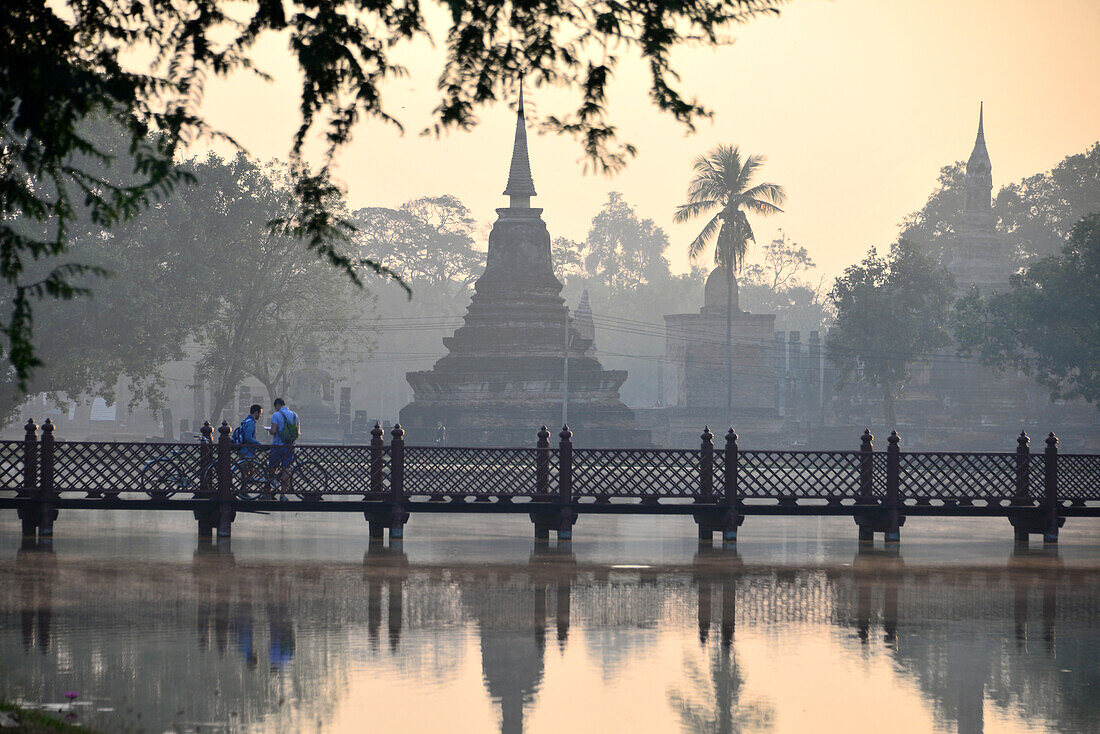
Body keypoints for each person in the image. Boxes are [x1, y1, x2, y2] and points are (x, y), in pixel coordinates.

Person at [267, 398, 300, 497]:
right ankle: (283, 494)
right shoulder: (295, 415)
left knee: (272, 468)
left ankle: (269, 492)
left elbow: (273, 431)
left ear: (277, 405)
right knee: (286, 469)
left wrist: (269, 430)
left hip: (277, 446)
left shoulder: (276, 415)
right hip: (289, 446)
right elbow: (297, 432)